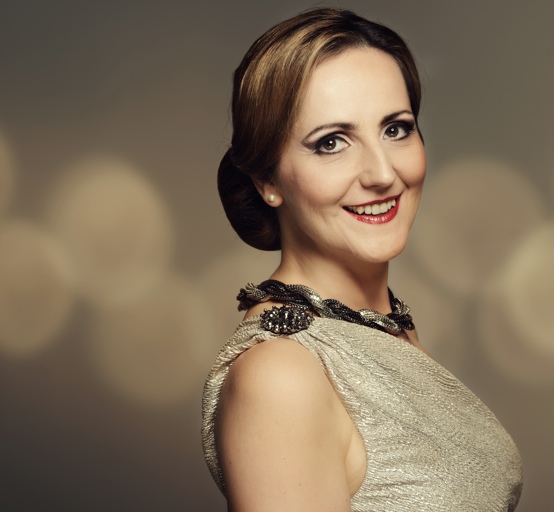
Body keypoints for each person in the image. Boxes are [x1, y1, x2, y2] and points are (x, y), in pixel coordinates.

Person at [201, 8, 523, 511]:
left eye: (396, 129)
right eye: (331, 143)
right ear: (267, 180)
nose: (382, 174)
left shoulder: (378, 326)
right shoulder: (280, 376)